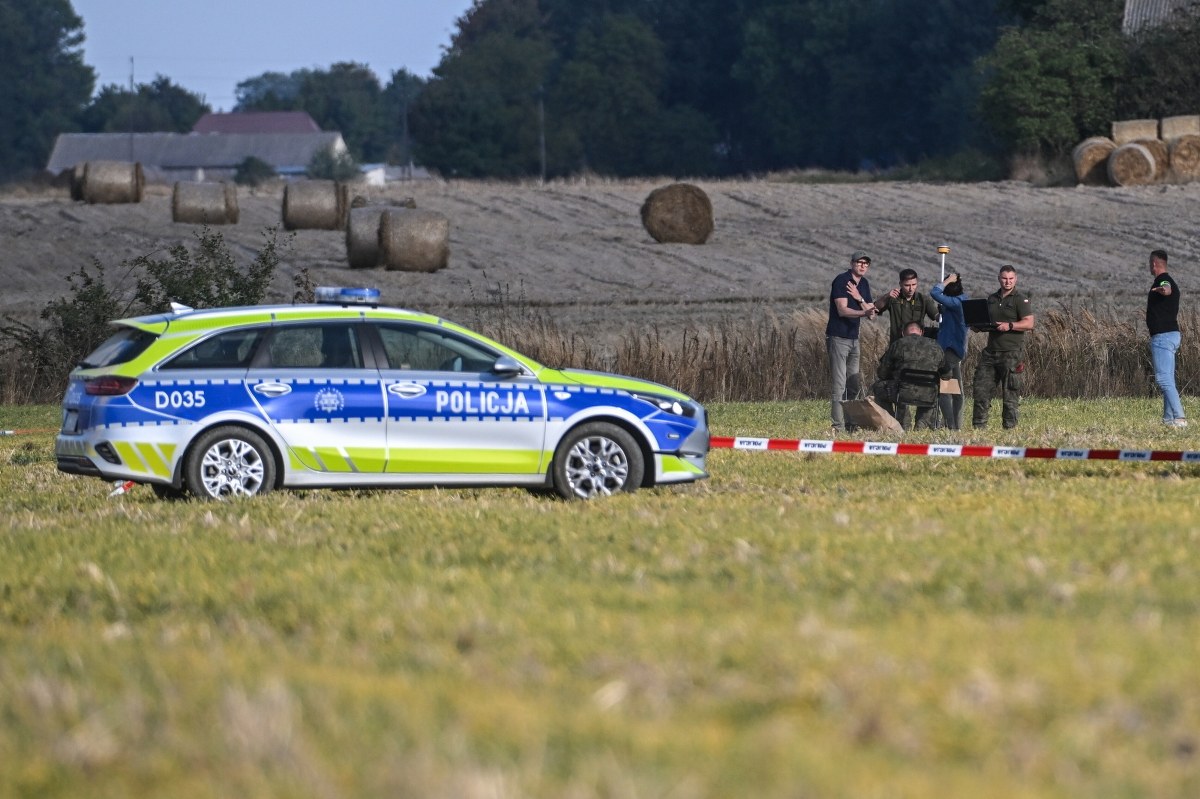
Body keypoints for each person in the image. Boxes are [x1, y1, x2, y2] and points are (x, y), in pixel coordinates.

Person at [972, 264, 1035, 429]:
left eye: (1011, 279)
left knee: (1010, 394)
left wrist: (1010, 325)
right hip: (990, 352)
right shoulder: (991, 299)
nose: (1008, 282)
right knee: (981, 390)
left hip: (1011, 353)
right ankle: (978, 428)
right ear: (999, 279)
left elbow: (1029, 323)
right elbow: (987, 319)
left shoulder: (1020, 299)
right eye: (1005, 278)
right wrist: (977, 325)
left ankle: (1009, 429)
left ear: (1016, 279)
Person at [874, 268, 939, 427]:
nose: (910, 288)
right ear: (900, 284)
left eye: (914, 284)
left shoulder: (923, 299)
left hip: (919, 352)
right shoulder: (894, 299)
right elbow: (875, 309)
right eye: (907, 285)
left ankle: (923, 423)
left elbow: (937, 316)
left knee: (925, 386)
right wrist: (887, 296)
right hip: (897, 351)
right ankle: (899, 422)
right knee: (896, 386)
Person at [826, 250, 877, 432]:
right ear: (852, 263)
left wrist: (859, 298)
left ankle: (850, 423)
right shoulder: (842, 281)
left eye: (866, 263)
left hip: (854, 338)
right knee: (839, 385)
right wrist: (864, 310)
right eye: (859, 262)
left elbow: (872, 314)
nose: (863, 266)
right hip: (838, 338)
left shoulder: (864, 284)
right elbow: (842, 310)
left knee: (853, 384)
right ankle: (838, 426)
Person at [872, 321, 949, 430]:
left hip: (903, 392)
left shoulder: (898, 344)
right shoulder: (936, 346)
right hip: (929, 394)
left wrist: (894, 375)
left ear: (903, 333)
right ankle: (922, 424)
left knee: (878, 387)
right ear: (921, 332)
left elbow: (882, 373)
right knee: (932, 390)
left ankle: (898, 423)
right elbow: (947, 375)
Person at [1146, 248, 1187, 427]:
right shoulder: (1169, 280)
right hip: (1171, 335)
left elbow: (1166, 288)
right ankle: (1169, 419)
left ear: (1154, 263)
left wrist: (1163, 290)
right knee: (1168, 379)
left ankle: (1179, 417)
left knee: (1163, 379)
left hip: (1163, 337)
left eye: (1150, 263)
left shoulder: (1164, 280)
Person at [930, 272, 969, 430]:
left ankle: (951, 425)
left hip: (950, 351)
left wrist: (946, 281)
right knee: (956, 390)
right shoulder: (960, 301)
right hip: (953, 351)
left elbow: (934, 292)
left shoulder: (957, 302)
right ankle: (955, 425)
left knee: (945, 390)